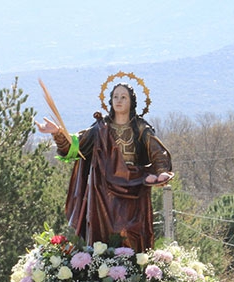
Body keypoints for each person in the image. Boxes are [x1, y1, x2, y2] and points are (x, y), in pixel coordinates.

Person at [37, 79, 173, 252]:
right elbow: (76, 145)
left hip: (134, 187)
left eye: (123, 97)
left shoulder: (140, 127)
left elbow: (156, 150)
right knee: (107, 235)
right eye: (115, 96)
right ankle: (103, 270)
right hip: (105, 193)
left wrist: (162, 171)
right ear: (110, 101)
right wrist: (57, 133)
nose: (119, 100)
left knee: (129, 232)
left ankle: (133, 270)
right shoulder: (102, 128)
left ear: (131, 102)